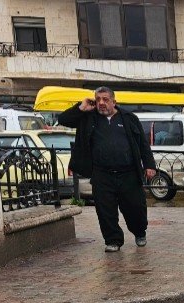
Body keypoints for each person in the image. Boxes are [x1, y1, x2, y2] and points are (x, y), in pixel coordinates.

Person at [59, 87, 157, 253]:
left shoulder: (128, 118)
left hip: (129, 173)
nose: (101, 103)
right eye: (98, 100)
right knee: (105, 211)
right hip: (102, 174)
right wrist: (81, 107)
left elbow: (142, 143)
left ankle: (139, 232)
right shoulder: (89, 117)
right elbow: (64, 120)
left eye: (105, 99)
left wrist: (149, 165)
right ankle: (113, 240)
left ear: (114, 101)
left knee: (135, 208)